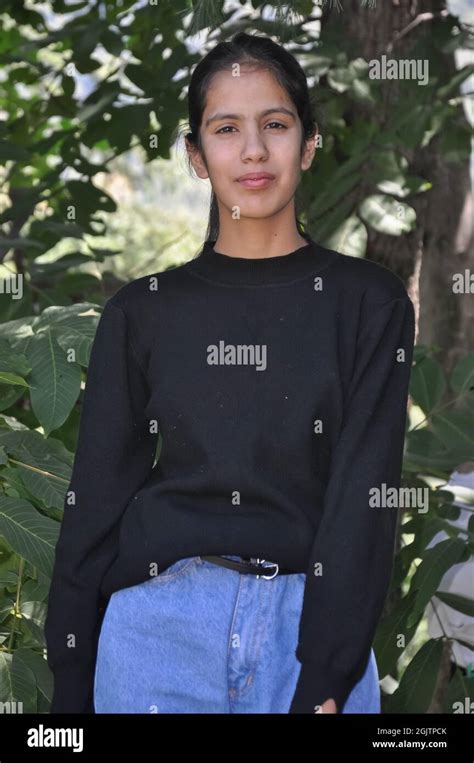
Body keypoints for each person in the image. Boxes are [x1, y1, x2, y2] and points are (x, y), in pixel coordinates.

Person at [44, 32, 416, 714]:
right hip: (156, 634)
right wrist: (70, 680)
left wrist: (326, 676)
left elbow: (364, 496)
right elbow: (93, 503)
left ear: (307, 145)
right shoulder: (141, 312)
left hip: (306, 634)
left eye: (275, 124)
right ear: (194, 154)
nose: (253, 150)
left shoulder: (368, 303)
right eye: (225, 128)